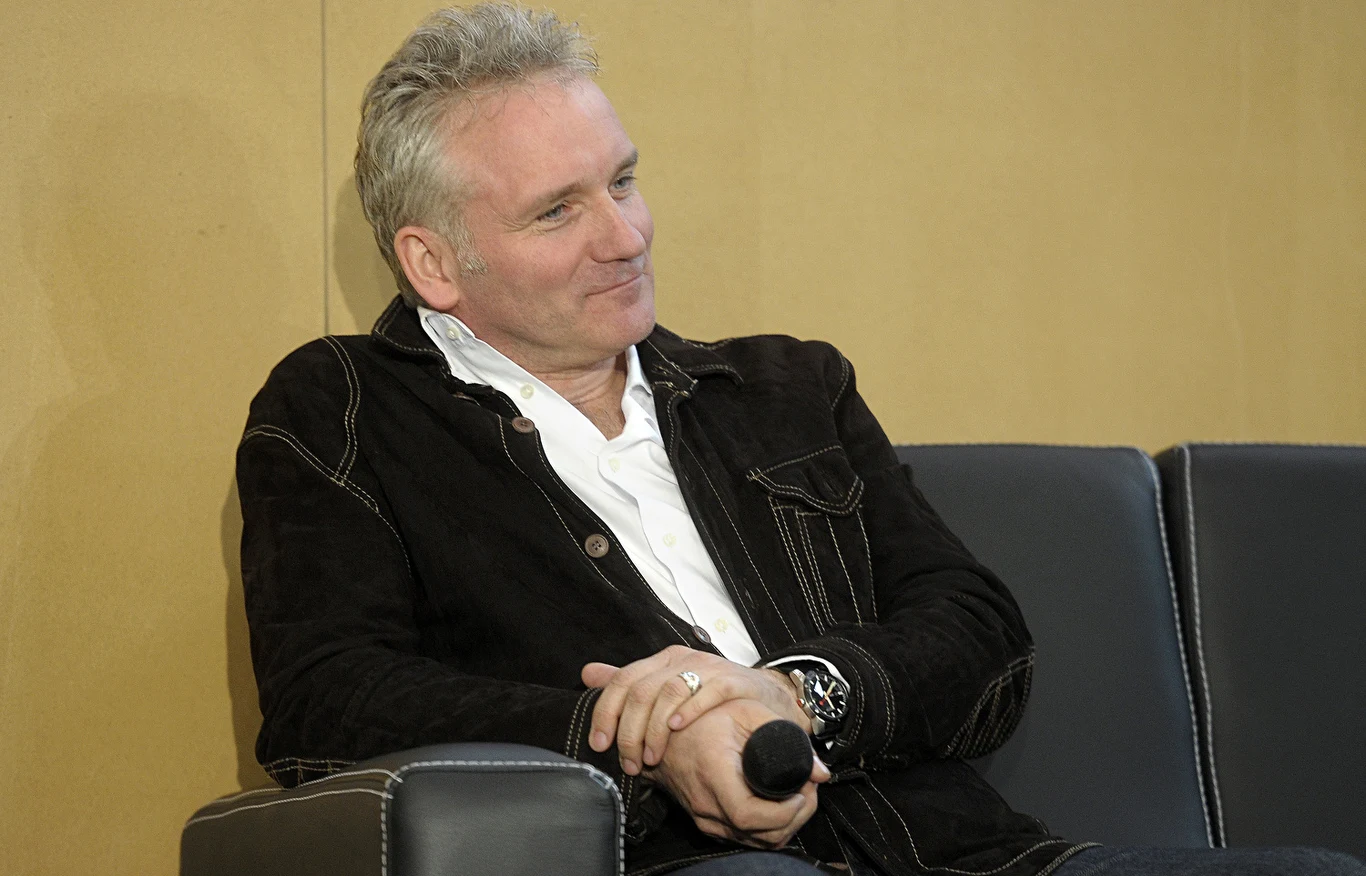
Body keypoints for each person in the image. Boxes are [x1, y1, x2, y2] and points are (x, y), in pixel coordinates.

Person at [236, 5, 1365, 876]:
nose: (625, 235)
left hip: (968, 859)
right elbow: (327, 704)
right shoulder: (342, 410)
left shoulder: (786, 388)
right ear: (434, 263)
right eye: (557, 210)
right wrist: (634, 733)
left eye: (623, 181)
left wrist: (796, 696)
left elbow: (980, 634)